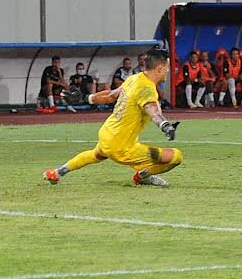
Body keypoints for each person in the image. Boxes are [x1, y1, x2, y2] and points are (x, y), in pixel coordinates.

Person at [44, 48, 183, 187]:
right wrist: (164, 125)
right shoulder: (146, 89)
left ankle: (57, 172)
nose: (168, 71)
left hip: (107, 134)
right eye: (167, 67)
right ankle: (143, 177)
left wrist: (87, 98)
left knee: (95, 155)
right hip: (121, 147)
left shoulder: (134, 79)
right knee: (176, 157)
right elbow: (152, 110)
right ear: (160, 68)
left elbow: (111, 95)